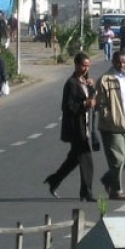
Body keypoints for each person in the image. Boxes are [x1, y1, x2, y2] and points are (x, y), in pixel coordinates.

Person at [44, 52, 99, 202]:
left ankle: (54, 180)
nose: (86, 69)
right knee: (87, 161)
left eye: (88, 66)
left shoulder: (84, 81)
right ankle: (86, 192)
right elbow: (67, 107)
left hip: (85, 126)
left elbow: (91, 97)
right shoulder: (71, 83)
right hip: (76, 128)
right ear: (76, 65)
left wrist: (92, 89)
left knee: (74, 159)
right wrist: (84, 104)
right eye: (83, 65)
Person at [96, 49, 125, 201]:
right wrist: (110, 118)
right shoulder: (105, 79)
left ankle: (109, 179)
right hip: (112, 125)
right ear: (113, 62)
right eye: (119, 62)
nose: (122, 65)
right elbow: (100, 104)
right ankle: (116, 191)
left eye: (124, 62)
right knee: (118, 159)